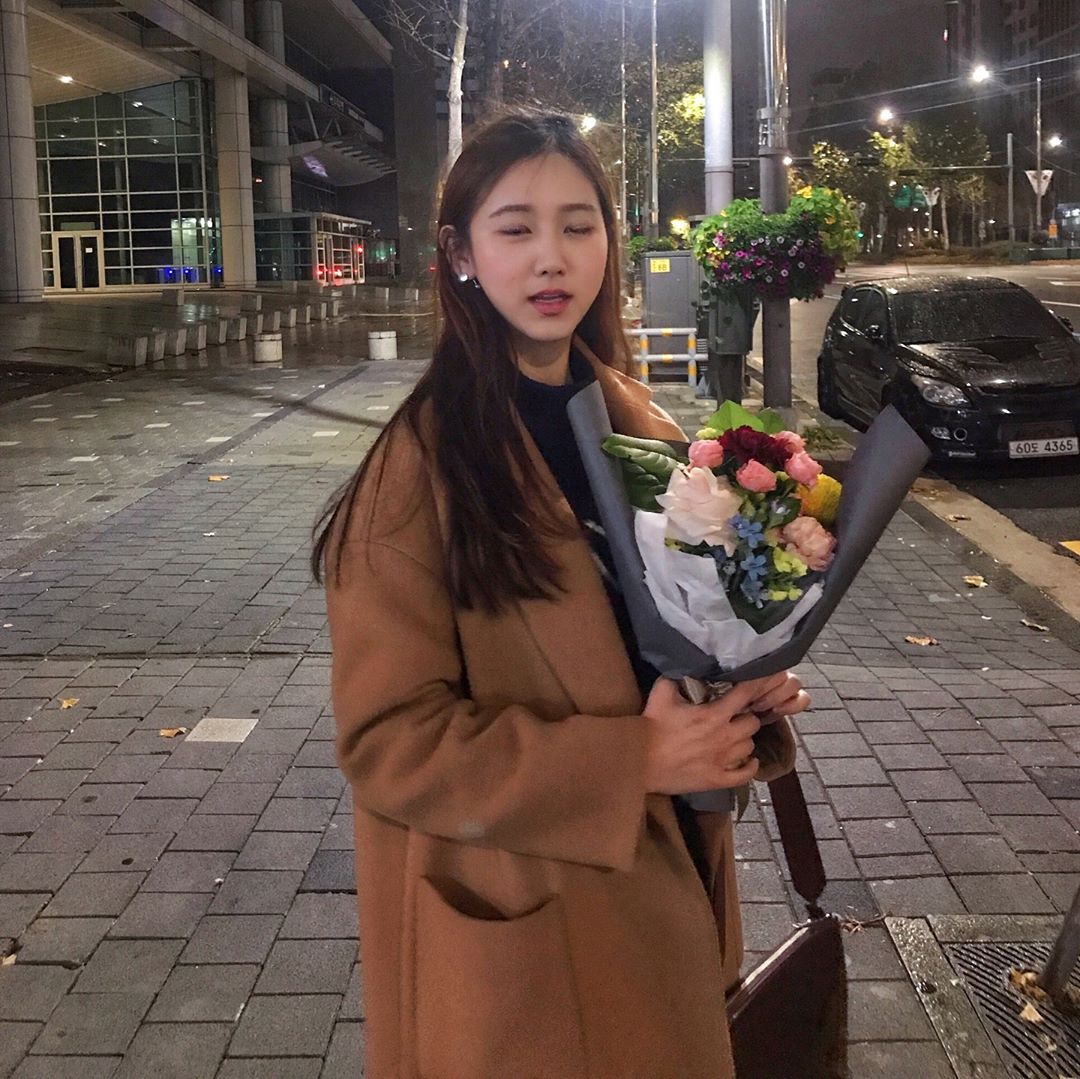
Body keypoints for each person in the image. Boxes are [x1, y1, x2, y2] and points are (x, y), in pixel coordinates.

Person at [314, 108, 810, 1079]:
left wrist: (740, 691)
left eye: (579, 225)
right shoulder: (417, 472)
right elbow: (388, 742)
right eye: (516, 227)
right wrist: (635, 759)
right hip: (529, 944)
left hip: (666, 893)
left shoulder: (644, 430)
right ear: (461, 255)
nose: (553, 256)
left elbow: (667, 639)